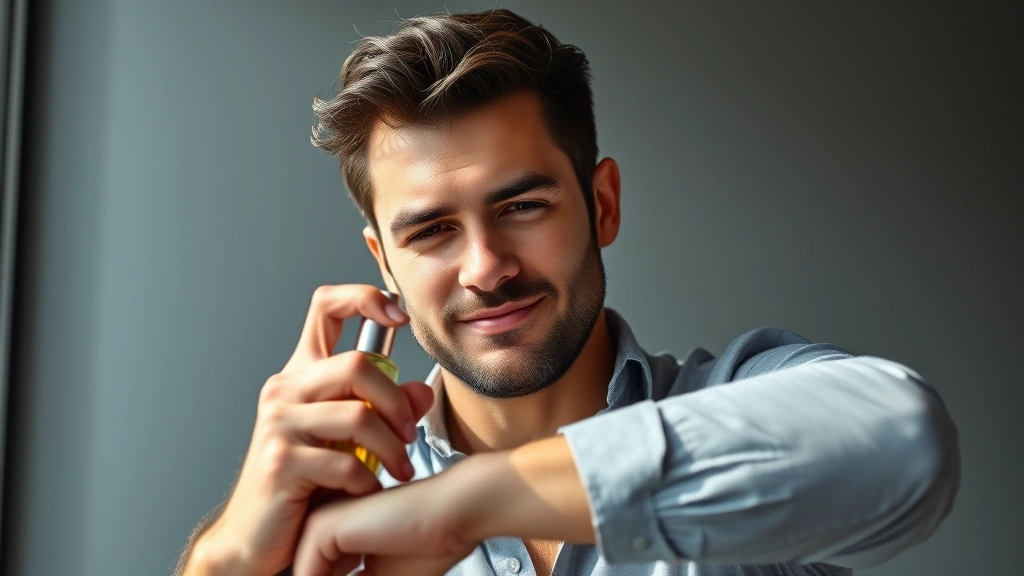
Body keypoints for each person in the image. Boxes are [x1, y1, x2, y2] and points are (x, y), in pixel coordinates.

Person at [175, 8, 960, 576]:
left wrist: (466, 501)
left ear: (603, 205)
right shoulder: (328, 520)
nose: (486, 268)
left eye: (521, 207)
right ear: (384, 263)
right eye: (431, 232)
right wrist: (226, 562)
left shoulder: (734, 408)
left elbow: (907, 442)